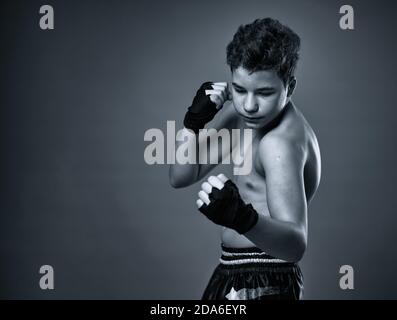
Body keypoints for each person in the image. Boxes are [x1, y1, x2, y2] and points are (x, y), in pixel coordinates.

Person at [169, 17, 321, 300]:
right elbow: (180, 176)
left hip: (266, 279)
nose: (249, 105)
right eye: (239, 90)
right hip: (232, 271)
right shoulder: (242, 117)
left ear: (290, 87)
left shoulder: (280, 143)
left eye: (264, 92)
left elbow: (294, 246)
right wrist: (192, 123)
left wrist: (242, 217)